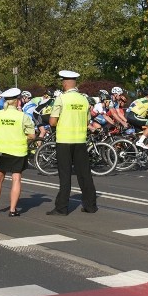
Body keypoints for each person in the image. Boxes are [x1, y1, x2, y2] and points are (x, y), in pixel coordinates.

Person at [46, 70, 97, 216]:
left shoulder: (61, 99)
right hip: (80, 140)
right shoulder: (84, 99)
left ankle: (61, 208)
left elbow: (53, 121)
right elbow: (87, 121)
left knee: (65, 174)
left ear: (65, 83)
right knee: (84, 174)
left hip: (64, 140)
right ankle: (90, 206)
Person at [0, 88, 35, 217]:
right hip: (18, 151)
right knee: (16, 179)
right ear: (17, 101)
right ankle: (12, 210)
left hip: (2, 150)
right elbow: (32, 135)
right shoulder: (22, 116)